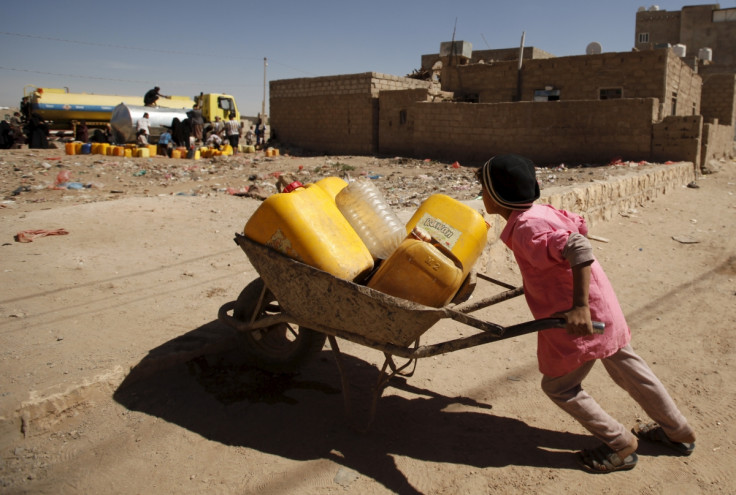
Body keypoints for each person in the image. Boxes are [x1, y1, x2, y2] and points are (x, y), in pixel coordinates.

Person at [476, 153, 696, 473]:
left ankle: (620, 445)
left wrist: (578, 305)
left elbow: (578, 246)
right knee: (631, 372)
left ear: (499, 195)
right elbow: (578, 226)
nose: (482, 195)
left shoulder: (525, 227)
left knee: (559, 387)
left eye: (484, 189)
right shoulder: (540, 211)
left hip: (581, 319)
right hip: (604, 305)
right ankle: (679, 432)